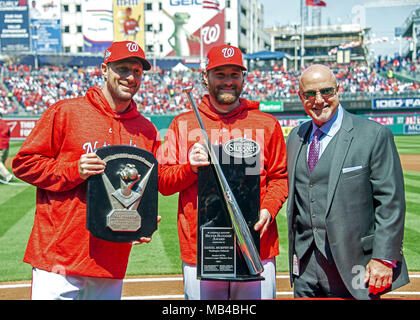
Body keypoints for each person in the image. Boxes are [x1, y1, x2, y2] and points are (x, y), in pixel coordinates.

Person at [12, 41, 161, 300]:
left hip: (111, 258)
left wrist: (142, 221)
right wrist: (74, 170)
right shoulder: (67, 112)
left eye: (137, 71)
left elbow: (142, 188)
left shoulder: (146, 130)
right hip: (58, 257)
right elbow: (24, 163)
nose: (131, 77)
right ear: (104, 69)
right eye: (123, 68)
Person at [159, 45, 288, 300]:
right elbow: (163, 182)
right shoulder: (182, 123)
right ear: (205, 77)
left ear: (244, 77)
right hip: (203, 250)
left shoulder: (267, 123)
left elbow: (279, 178)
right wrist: (190, 168)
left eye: (234, 74)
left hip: (256, 245)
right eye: (220, 74)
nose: (228, 81)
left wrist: (269, 209)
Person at [286, 64, 409, 300]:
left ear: (338, 90)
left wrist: (384, 258)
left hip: (354, 263)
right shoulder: (295, 137)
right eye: (310, 94)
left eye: (326, 91)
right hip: (305, 265)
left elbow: (391, 201)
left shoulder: (373, 135)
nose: (319, 100)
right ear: (301, 97)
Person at [0, 113, 13, 183]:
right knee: (1, 162)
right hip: (6, 145)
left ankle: (7, 175)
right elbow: (9, 134)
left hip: (0, 145)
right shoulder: (5, 124)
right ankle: (1, 177)